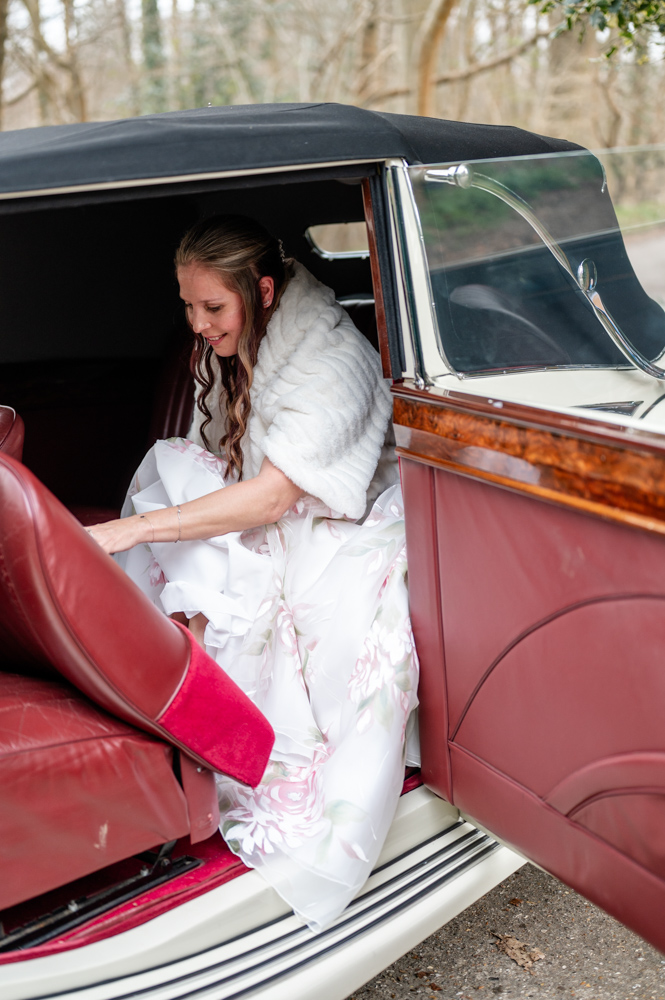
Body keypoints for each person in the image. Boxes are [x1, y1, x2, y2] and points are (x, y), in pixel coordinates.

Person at [86, 215, 419, 932]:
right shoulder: (240, 339)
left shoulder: (325, 359)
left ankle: (203, 722)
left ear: (264, 291)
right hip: (280, 505)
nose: (197, 325)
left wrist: (131, 530)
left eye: (212, 308)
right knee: (175, 469)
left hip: (340, 516)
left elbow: (273, 494)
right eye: (186, 306)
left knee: (247, 577)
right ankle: (171, 688)